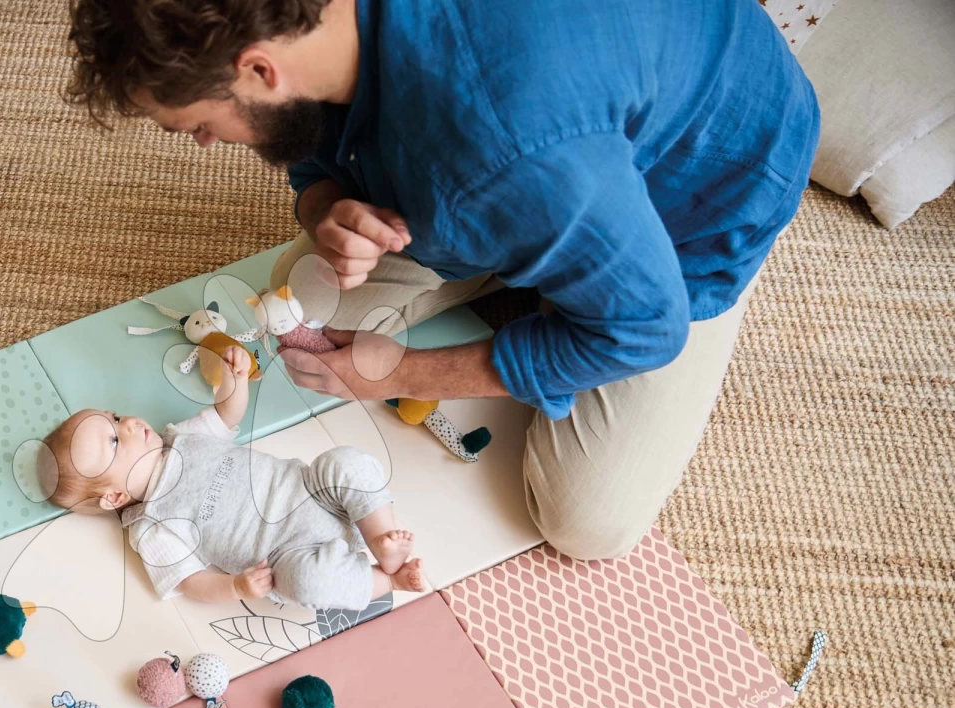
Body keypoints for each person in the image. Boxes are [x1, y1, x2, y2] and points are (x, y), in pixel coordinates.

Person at [63, 0, 820, 559]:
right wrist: (326, 203)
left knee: (587, 522)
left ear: (260, 69)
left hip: (695, 205)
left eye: (197, 125)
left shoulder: (506, 150)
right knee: (305, 283)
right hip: (545, 160)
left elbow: (641, 329)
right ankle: (526, 250)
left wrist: (400, 373)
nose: (202, 144)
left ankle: (556, 262)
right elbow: (308, 139)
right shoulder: (319, 32)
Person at [41, 344, 427, 609]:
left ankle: (381, 538)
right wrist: (235, 587)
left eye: (114, 417)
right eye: (113, 440)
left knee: (345, 462)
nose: (127, 424)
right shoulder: (151, 527)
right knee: (304, 583)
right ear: (114, 497)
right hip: (287, 554)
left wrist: (235, 380)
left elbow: (227, 415)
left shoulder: (181, 437)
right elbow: (190, 581)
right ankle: (386, 580)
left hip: (314, 490)